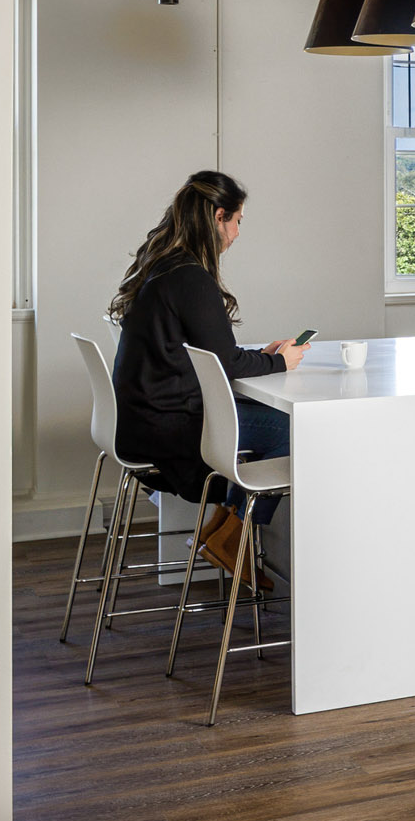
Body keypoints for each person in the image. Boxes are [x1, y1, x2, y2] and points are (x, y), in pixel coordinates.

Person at [108, 170, 306, 577]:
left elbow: (215, 354)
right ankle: (235, 536)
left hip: (141, 425)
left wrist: (262, 356)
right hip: (173, 433)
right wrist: (280, 362)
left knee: (262, 418)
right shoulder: (190, 278)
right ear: (218, 217)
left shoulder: (161, 267)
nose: (237, 233)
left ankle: (221, 531)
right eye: (237, 221)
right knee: (294, 430)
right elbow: (226, 363)